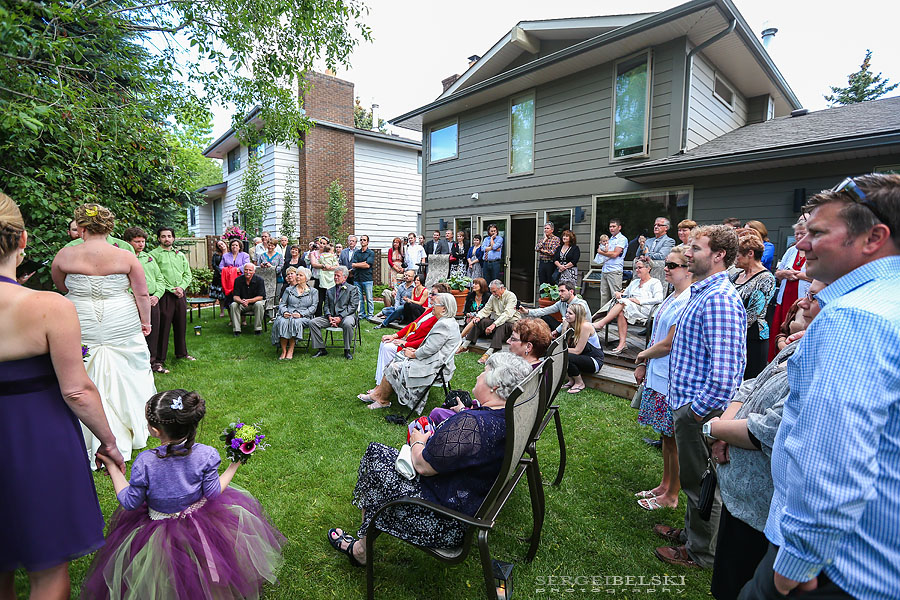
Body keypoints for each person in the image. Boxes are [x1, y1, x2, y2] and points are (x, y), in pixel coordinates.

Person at [740, 174, 900, 600]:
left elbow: (834, 457)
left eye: (817, 232)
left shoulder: (855, 317)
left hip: (833, 569)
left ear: (874, 237)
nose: (802, 245)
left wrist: (796, 563)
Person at [0, 193, 125, 598]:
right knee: (48, 568)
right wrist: (109, 441)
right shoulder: (49, 307)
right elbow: (76, 389)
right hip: (38, 439)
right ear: (23, 242)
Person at [328, 352, 533, 568]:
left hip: (444, 522)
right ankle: (364, 542)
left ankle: (360, 551)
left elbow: (422, 465)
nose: (477, 377)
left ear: (495, 386)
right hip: (464, 504)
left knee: (376, 457)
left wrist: (418, 440)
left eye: (484, 373)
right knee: (380, 457)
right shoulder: (509, 417)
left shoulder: (472, 424)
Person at [81, 389, 285, 599]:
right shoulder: (206, 455)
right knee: (201, 568)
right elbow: (213, 492)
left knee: (161, 574)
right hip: (200, 525)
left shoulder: (145, 462)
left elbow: (130, 501)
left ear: (155, 430)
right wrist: (234, 464)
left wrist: (113, 468)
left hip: (156, 529)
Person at [707, 279, 825, 600]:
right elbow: (750, 385)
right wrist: (727, 423)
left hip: (761, 509)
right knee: (723, 582)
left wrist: (715, 430)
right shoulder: (796, 347)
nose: (801, 302)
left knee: (736, 585)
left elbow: (770, 429)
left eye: (812, 297)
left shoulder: (819, 361)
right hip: (738, 493)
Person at [654, 225, 745, 570]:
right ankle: (693, 536)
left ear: (719, 255)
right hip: (688, 404)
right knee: (694, 480)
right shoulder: (702, 292)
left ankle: (701, 554)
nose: (687, 253)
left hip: (699, 410)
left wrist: (696, 412)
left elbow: (726, 372)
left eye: (696, 247)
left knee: (704, 484)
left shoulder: (719, 298)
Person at [51, 203, 156, 467]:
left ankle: (84, 429)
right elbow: (141, 293)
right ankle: (129, 429)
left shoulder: (65, 255)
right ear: (109, 227)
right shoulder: (126, 256)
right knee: (128, 369)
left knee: (80, 368)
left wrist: (82, 295)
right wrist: (146, 322)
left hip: (80, 317)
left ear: (82, 228)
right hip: (121, 318)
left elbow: (61, 285)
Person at [632, 247, 693, 511]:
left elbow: (669, 343)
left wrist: (641, 355)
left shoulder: (689, 299)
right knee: (666, 437)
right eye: (666, 263)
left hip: (672, 377)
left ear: (689, 269)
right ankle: (664, 484)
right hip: (658, 374)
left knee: (675, 440)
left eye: (673, 265)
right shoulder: (672, 295)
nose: (666, 268)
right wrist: (646, 363)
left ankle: (672, 494)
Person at [362, 292, 462, 411]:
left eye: (435, 304)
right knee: (397, 357)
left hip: (434, 366)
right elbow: (431, 346)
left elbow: (429, 349)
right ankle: (377, 394)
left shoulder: (444, 325)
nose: (432, 305)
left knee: (393, 366)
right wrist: (413, 349)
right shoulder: (447, 322)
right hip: (434, 359)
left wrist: (414, 354)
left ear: (444, 308)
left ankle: (382, 400)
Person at [365, 283, 452, 390]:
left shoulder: (439, 318)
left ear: (442, 297)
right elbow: (413, 323)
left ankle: (382, 386)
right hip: (411, 341)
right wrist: (395, 335)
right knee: (385, 342)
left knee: (387, 347)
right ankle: (380, 383)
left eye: (433, 294)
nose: (430, 296)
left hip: (415, 348)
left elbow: (426, 342)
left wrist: (405, 343)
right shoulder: (431, 310)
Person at [592, 256, 664, 355]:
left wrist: (639, 301)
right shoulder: (634, 282)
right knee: (621, 311)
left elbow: (659, 299)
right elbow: (625, 293)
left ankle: (600, 323)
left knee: (623, 303)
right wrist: (619, 294)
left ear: (648, 268)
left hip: (646, 309)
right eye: (636, 268)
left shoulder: (655, 282)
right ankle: (622, 344)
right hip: (630, 307)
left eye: (640, 267)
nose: (637, 270)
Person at [730, 233, 776, 379]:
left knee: (749, 382)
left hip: (753, 339)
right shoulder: (736, 275)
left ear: (750, 253)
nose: (735, 259)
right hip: (733, 336)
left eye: (737, 255)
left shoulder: (766, 278)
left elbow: (752, 314)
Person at [124, 227, 168, 374]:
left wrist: (157, 295)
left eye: (143, 241)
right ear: (128, 242)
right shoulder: (124, 259)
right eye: (137, 242)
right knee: (135, 334)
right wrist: (138, 297)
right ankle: (135, 364)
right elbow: (122, 282)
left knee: (153, 332)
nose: (141, 244)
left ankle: (153, 363)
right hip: (133, 302)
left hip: (153, 301)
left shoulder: (149, 258)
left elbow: (160, 279)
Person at [150, 226, 195, 367]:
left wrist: (181, 287)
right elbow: (156, 276)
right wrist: (171, 289)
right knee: (163, 326)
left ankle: (182, 353)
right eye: (163, 236)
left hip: (180, 294)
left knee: (181, 324)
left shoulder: (179, 255)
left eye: (169, 236)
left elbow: (188, 274)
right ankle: (159, 359)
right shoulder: (153, 255)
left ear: (173, 238)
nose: (166, 239)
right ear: (159, 238)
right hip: (165, 295)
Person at [768, 218, 810, 360]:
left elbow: (819, 277)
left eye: (802, 233)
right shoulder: (791, 251)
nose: (798, 236)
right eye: (797, 233)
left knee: (795, 327)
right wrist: (784, 274)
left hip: (802, 298)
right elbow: (778, 272)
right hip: (785, 296)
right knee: (780, 327)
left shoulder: (815, 251)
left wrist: (797, 275)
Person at [459, 279, 520, 364]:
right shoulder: (493, 296)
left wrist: (493, 325)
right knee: (480, 321)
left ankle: (489, 352)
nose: (493, 294)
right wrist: (478, 317)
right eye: (492, 292)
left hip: (511, 324)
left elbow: (507, 314)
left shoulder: (511, 296)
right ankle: (465, 345)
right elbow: (486, 309)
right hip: (497, 321)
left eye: (495, 292)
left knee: (502, 325)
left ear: (501, 288)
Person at [309, 266, 359, 360]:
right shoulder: (329, 290)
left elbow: (352, 307)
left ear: (345, 277)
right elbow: (326, 306)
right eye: (334, 275)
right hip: (331, 317)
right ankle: (321, 349)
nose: (335, 277)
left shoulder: (353, 289)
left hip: (346, 316)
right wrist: (329, 316)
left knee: (348, 323)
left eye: (338, 276)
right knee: (313, 322)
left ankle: (347, 350)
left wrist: (340, 317)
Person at [271, 267, 317, 359]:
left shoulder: (313, 292)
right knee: (282, 321)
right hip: (288, 313)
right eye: (297, 275)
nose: (298, 277)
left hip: (304, 316)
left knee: (295, 321)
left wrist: (301, 314)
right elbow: (282, 304)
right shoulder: (289, 290)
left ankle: (291, 349)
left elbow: (313, 307)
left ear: (306, 278)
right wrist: (284, 312)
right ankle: (284, 351)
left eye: (300, 275)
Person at [520, 281, 590, 337]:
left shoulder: (581, 304)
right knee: (546, 318)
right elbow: (544, 310)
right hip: (565, 328)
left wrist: (556, 331)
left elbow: (570, 321)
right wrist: (527, 311)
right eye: (559, 291)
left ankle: (553, 337)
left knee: (566, 323)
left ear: (571, 292)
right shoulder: (562, 303)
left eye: (562, 291)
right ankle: (545, 338)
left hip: (578, 332)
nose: (559, 294)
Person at [561, 303, 603, 393]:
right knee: (563, 354)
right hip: (583, 358)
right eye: (567, 312)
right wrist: (564, 329)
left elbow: (577, 351)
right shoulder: (571, 325)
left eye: (570, 313)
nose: (566, 315)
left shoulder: (585, 326)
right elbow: (563, 344)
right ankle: (571, 380)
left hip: (595, 361)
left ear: (578, 315)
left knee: (566, 355)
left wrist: (559, 350)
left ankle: (579, 383)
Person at [595, 218, 628, 309]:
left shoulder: (622, 239)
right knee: (604, 296)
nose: (611, 228)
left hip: (614, 270)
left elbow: (615, 254)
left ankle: (616, 319)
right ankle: (602, 319)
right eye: (610, 227)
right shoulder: (609, 239)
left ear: (619, 227)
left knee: (616, 295)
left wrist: (600, 252)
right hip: (605, 269)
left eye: (614, 226)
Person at [229, 262, 266, 336]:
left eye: (250, 270)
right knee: (233, 305)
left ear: (254, 271)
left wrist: (249, 301)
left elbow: (261, 297)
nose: (248, 272)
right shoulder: (238, 280)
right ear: (243, 270)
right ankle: (237, 330)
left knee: (259, 304)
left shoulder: (260, 280)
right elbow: (235, 296)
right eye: (246, 270)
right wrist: (241, 301)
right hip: (242, 304)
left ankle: (257, 329)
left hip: (255, 303)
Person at [639, 217, 677, 284]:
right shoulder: (648, 241)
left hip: (658, 274)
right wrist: (641, 246)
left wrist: (647, 254)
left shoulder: (669, 241)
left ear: (666, 228)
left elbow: (661, 256)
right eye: (655, 225)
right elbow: (638, 255)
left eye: (659, 225)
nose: (656, 227)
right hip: (644, 273)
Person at [351, 234, 375, 320]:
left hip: (367, 279)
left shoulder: (371, 253)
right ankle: (361, 314)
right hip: (357, 279)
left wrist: (359, 264)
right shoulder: (357, 252)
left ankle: (370, 314)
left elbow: (368, 265)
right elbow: (353, 264)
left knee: (369, 298)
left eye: (364, 240)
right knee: (359, 299)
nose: (362, 241)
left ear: (368, 242)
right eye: (361, 240)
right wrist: (362, 263)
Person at [209, 238, 228, 317]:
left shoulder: (230, 253)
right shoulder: (216, 255)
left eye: (222, 244)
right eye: (219, 245)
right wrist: (221, 271)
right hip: (218, 277)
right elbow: (214, 265)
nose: (221, 246)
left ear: (225, 243)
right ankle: (222, 311)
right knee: (221, 296)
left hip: (229, 276)